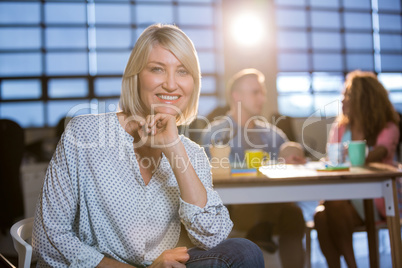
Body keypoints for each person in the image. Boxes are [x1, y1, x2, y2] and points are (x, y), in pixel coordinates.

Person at [32, 24, 264, 268]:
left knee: (244, 252)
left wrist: (174, 148)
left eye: (183, 72)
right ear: (136, 76)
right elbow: (49, 239)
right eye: (157, 69)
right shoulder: (85, 134)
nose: (172, 85)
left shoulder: (192, 154)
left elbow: (212, 235)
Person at [201, 68, 306, 268]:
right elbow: (212, 180)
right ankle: (259, 229)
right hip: (235, 210)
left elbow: (290, 160)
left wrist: (293, 158)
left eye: (263, 92)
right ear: (236, 96)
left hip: (276, 209)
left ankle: (264, 228)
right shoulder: (215, 133)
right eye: (255, 92)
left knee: (294, 215)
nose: (262, 97)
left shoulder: (273, 134)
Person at [314, 70, 400, 268]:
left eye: (348, 96)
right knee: (321, 215)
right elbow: (332, 159)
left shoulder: (387, 127)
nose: (343, 101)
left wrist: (348, 154)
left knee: (332, 206)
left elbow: (378, 153)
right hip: (344, 200)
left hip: (377, 200)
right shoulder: (341, 128)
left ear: (366, 99)